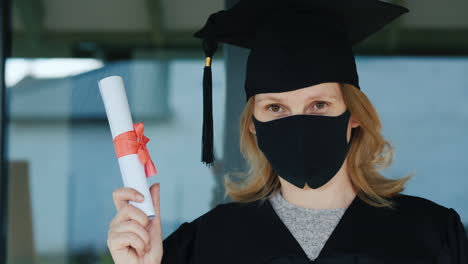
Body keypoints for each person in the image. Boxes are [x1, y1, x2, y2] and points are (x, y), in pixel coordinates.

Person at [107, 0, 468, 263]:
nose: (298, 124)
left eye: (319, 105)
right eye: (275, 108)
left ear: (353, 114)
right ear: (253, 124)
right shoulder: (205, 243)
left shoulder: (432, 234)